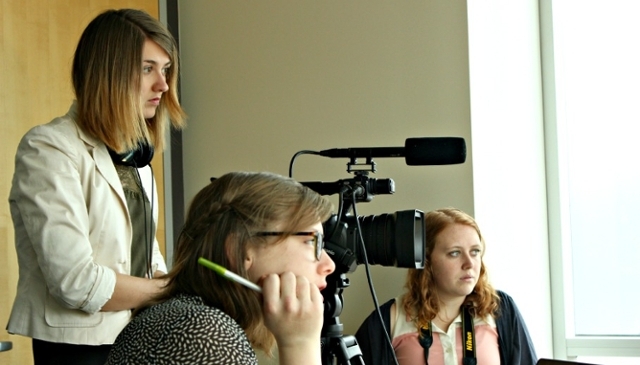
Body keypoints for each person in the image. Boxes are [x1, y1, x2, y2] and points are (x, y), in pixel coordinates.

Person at [6, 8, 186, 365]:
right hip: (80, 351)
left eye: (165, 70)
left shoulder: (135, 157)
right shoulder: (49, 148)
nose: (163, 85)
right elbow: (76, 281)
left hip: (139, 337)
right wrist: (171, 287)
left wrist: (187, 283)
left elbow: (147, 261)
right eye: (148, 68)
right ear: (110, 73)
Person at [104, 171, 336, 364]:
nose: (329, 264)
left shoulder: (186, 319)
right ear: (240, 249)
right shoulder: (203, 334)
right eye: (311, 241)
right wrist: (300, 344)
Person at [355, 208, 537, 365]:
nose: (469, 263)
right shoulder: (389, 320)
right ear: (426, 260)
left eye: (475, 252)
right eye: (454, 253)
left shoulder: (499, 309)